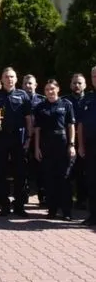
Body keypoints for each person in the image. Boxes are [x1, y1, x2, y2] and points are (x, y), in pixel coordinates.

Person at [0, 67, 33, 217]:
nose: (9, 79)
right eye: (6, 77)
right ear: (1, 79)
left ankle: (19, 205)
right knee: (0, 172)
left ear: (16, 79)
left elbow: (28, 119)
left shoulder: (23, 95)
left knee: (20, 173)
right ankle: (4, 205)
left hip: (18, 139)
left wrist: (29, 138)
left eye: (12, 76)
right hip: (1, 138)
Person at [34, 80, 75, 221]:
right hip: (46, 145)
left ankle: (66, 211)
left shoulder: (66, 104)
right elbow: (37, 129)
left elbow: (71, 126)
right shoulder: (40, 107)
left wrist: (72, 144)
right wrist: (37, 147)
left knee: (64, 178)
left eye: (52, 88)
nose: (50, 91)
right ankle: (52, 209)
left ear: (58, 89)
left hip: (62, 143)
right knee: (49, 179)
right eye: (47, 89)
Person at [63, 73, 87, 210]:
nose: (77, 85)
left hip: (86, 140)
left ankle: (82, 200)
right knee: (68, 171)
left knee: (83, 172)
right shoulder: (65, 101)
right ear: (70, 84)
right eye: (74, 83)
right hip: (69, 140)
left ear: (85, 85)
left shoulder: (89, 99)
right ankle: (66, 199)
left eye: (79, 83)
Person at [22, 74, 46, 204]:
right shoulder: (19, 99)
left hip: (39, 139)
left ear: (36, 85)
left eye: (30, 83)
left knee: (41, 168)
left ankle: (43, 195)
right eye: (25, 83)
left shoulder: (42, 100)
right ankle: (23, 195)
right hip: (24, 138)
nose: (28, 86)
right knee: (23, 168)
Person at [77, 66, 96, 226]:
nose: (95, 78)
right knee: (91, 180)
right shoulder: (87, 98)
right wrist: (81, 146)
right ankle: (93, 215)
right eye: (94, 76)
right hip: (90, 145)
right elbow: (80, 125)